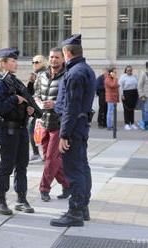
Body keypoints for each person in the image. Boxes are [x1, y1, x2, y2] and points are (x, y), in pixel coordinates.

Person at [50, 34, 96, 227]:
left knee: (74, 169)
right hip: (80, 125)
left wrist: (64, 135)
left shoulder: (75, 72)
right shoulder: (85, 69)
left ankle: (75, 211)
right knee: (82, 167)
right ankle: (82, 207)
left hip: (73, 127)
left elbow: (71, 106)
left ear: (67, 53)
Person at [0, 48, 36, 215]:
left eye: (16, 61)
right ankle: (0, 200)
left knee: (22, 165)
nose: (16, 63)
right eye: (13, 61)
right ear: (3, 63)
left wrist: (29, 109)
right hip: (7, 129)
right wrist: (15, 99)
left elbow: (25, 102)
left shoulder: (14, 82)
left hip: (21, 128)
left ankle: (21, 199)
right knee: (7, 165)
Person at [34, 47, 70, 202]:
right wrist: (38, 102)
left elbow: (70, 100)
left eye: (57, 57)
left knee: (51, 158)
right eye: (51, 57)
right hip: (44, 121)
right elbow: (35, 94)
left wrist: (55, 104)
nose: (53, 60)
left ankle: (44, 188)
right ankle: (67, 185)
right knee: (50, 157)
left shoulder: (67, 76)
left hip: (59, 123)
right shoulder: (41, 76)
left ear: (63, 59)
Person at [28, 55, 46, 163]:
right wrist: (30, 83)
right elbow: (31, 92)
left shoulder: (43, 74)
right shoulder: (38, 74)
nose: (34, 64)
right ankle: (42, 153)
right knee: (37, 129)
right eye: (33, 62)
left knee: (32, 128)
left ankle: (37, 153)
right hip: (38, 105)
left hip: (41, 106)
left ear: (43, 62)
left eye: (37, 62)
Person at [119, 65, 139, 130]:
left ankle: (132, 123)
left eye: (130, 70)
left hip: (134, 93)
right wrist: (122, 95)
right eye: (128, 70)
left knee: (132, 109)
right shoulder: (123, 77)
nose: (129, 72)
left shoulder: (134, 76)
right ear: (126, 70)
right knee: (126, 109)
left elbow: (137, 84)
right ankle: (127, 123)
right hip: (126, 93)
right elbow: (120, 86)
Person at [138, 62, 148, 130]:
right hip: (146, 96)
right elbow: (139, 86)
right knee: (145, 111)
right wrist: (142, 95)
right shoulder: (144, 74)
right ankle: (145, 124)